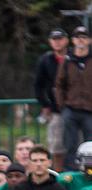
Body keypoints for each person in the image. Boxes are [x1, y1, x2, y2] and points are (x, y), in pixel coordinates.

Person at [56, 26, 92, 170]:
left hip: (89, 109)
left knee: (90, 144)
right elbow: (59, 84)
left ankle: (89, 172)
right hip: (71, 108)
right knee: (69, 144)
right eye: (77, 37)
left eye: (84, 37)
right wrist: (62, 106)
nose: (80, 40)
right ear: (73, 40)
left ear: (89, 40)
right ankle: (71, 172)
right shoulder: (67, 60)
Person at [35, 29, 70, 171]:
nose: (57, 42)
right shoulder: (45, 60)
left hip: (77, 108)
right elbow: (38, 84)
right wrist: (45, 104)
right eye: (54, 39)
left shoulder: (74, 57)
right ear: (50, 41)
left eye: (60, 38)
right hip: (56, 110)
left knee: (78, 144)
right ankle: (58, 175)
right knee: (56, 146)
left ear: (67, 40)